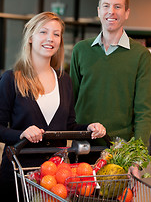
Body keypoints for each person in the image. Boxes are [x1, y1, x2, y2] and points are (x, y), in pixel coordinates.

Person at [0, 12, 106, 202]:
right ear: (31, 37)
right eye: (44, 32)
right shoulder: (11, 79)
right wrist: (21, 134)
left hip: (55, 179)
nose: (50, 39)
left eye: (56, 34)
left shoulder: (64, 80)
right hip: (18, 175)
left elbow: (69, 126)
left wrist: (89, 128)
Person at [70, 0, 151, 165]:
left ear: (126, 13)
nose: (111, 12)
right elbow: (70, 100)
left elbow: (144, 111)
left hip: (120, 151)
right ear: (99, 11)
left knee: (116, 194)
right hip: (83, 145)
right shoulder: (81, 50)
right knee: (79, 193)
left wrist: (137, 157)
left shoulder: (140, 55)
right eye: (106, 6)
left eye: (118, 6)